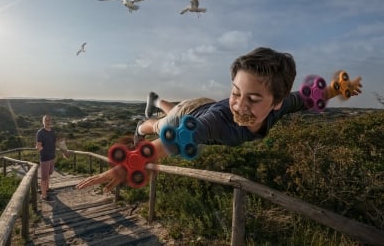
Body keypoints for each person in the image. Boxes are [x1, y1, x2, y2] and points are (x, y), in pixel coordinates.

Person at [76, 47, 362, 192]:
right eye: (236, 93)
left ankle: (155, 100)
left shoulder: (284, 104)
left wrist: (339, 88)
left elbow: (309, 97)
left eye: (253, 98)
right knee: (162, 124)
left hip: (200, 104)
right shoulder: (213, 123)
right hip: (192, 115)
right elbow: (167, 143)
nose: (239, 105)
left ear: (276, 102)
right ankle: (143, 120)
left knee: (172, 108)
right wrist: (127, 164)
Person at [36, 114, 64, 202]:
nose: (48, 122)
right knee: (44, 178)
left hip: (52, 157)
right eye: (46, 120)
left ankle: (47, 189)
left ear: (51, 121)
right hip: (45, 158)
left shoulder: (52, 131)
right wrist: (39, 148)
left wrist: (62, 144)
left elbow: (55, 142)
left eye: (49, 120)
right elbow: (39, 145)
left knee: (48, 175)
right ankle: (44, 196)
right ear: (43, 122)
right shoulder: (40, 132)